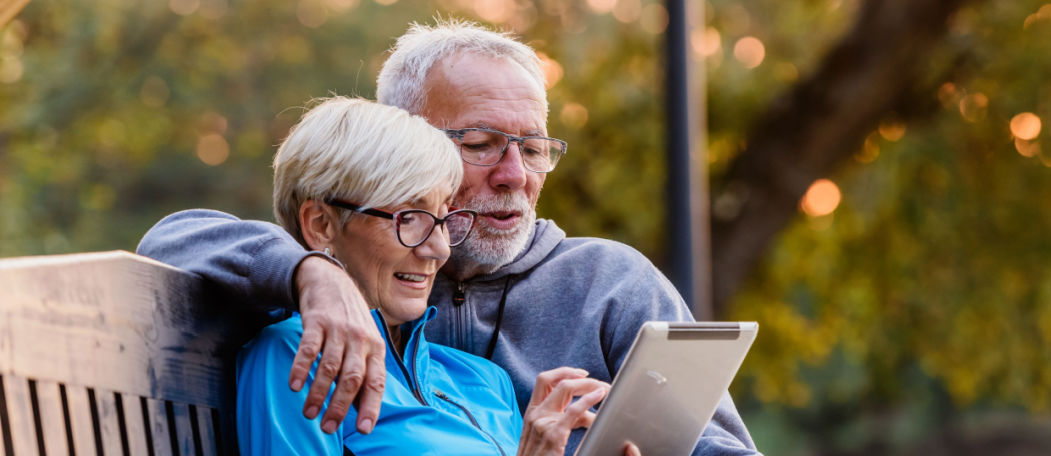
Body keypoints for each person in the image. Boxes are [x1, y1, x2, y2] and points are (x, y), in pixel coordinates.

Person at [138, 19, 757, 455]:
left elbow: (715, 445)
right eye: (482, 145)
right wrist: (313, 275)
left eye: (534, 149)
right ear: (408, 142)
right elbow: (176, 238)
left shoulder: (609, 285)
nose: (515, 175)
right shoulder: (333, 278)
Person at [237, 96, 613, 455]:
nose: (439, 249)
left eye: (443, 220)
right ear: (321, 225)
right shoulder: (296, 354)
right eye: (409, 218)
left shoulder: (484, 380)